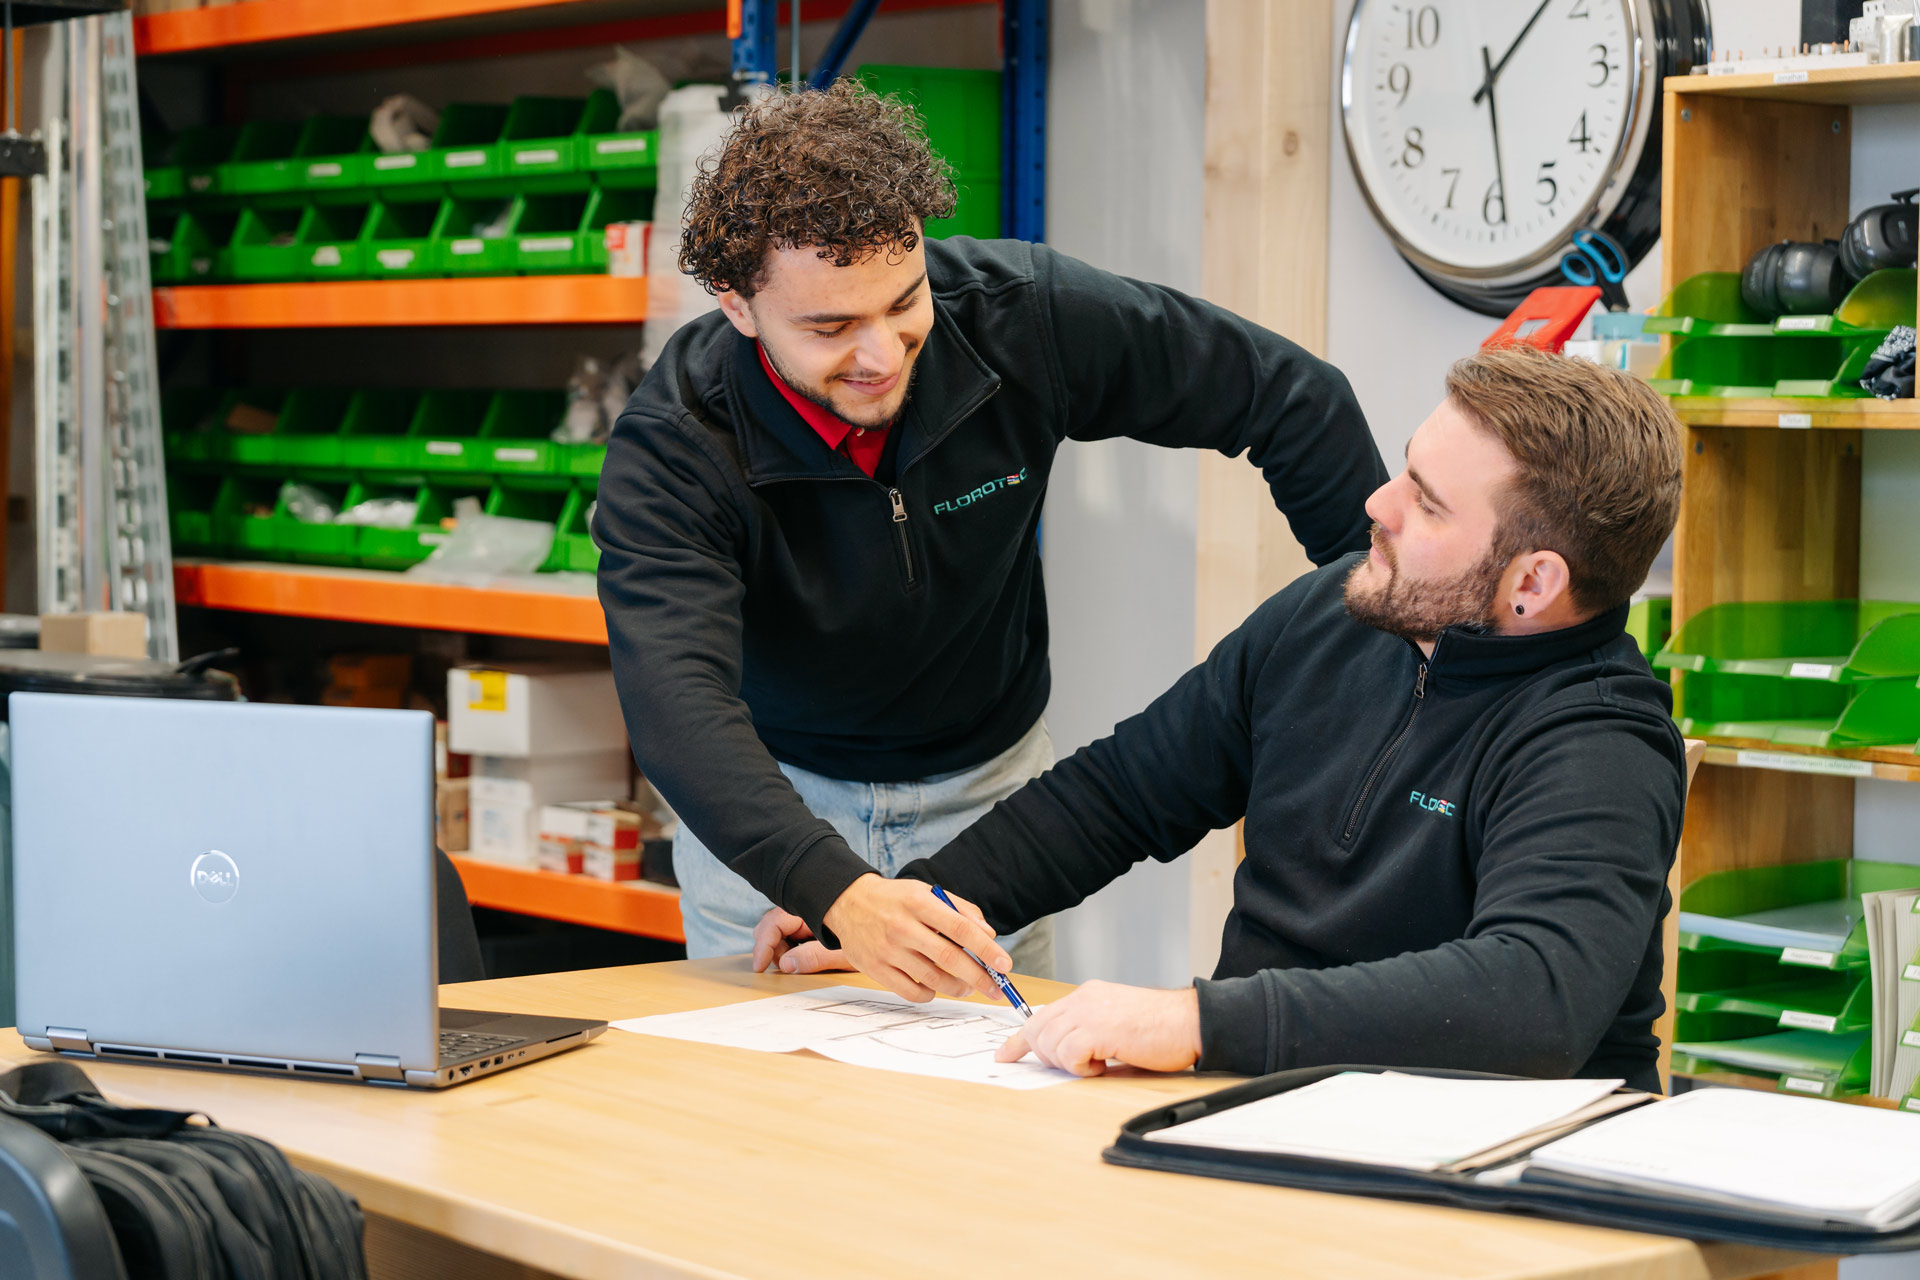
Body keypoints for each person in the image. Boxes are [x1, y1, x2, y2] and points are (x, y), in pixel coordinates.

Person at [594, 80, 1388, 972]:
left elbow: (1290, 397)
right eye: (831, 326)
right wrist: (831, 887)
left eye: (903, 303)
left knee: (992, 1094)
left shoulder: (1021, 320)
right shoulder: (676, 446)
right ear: (738, 307)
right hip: (774, 813)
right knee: (778, 1101)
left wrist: (1388, 642)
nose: (882, 356)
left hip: (988, 794)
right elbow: (674, 701)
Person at [754, 345, 1689, 1093]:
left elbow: (1532, 998)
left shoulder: (1599, 741)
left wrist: (1196, 1022)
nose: (1377, 505)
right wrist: (910, 911)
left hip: (1474, 1171)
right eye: (1404, 472)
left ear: (1534, 583)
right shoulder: (1334, 613)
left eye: (1427, 502)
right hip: (1268, 1106)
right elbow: (1122, 793)